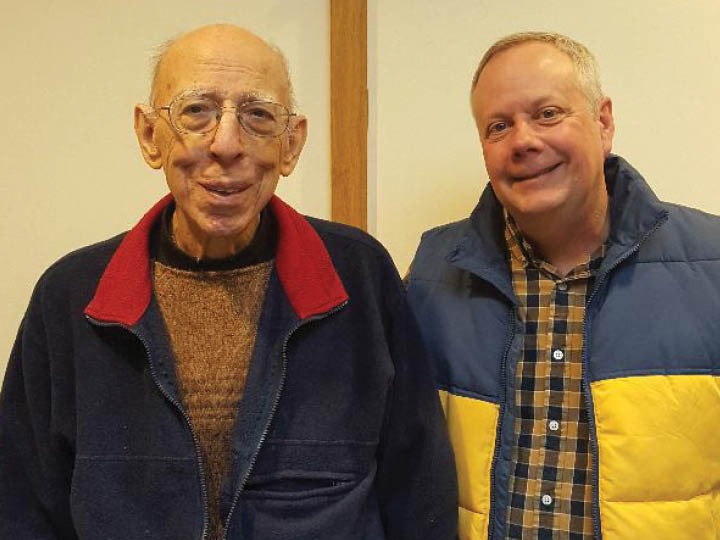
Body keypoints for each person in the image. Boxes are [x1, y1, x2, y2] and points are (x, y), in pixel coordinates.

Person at [0, 24, 457, 540]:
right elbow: (22, 504)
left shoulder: (358, 278)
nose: (226, 144)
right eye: (197, 111)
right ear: (150, 135)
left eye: (258, 116)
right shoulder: (72, 297)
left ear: (291, 143)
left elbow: (420, 490)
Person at [406, 31, 720, 540]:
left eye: (548, 113)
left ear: (603, 121)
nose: (524, 140)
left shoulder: (713, 264)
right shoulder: (432, 271)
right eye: (498, 126)